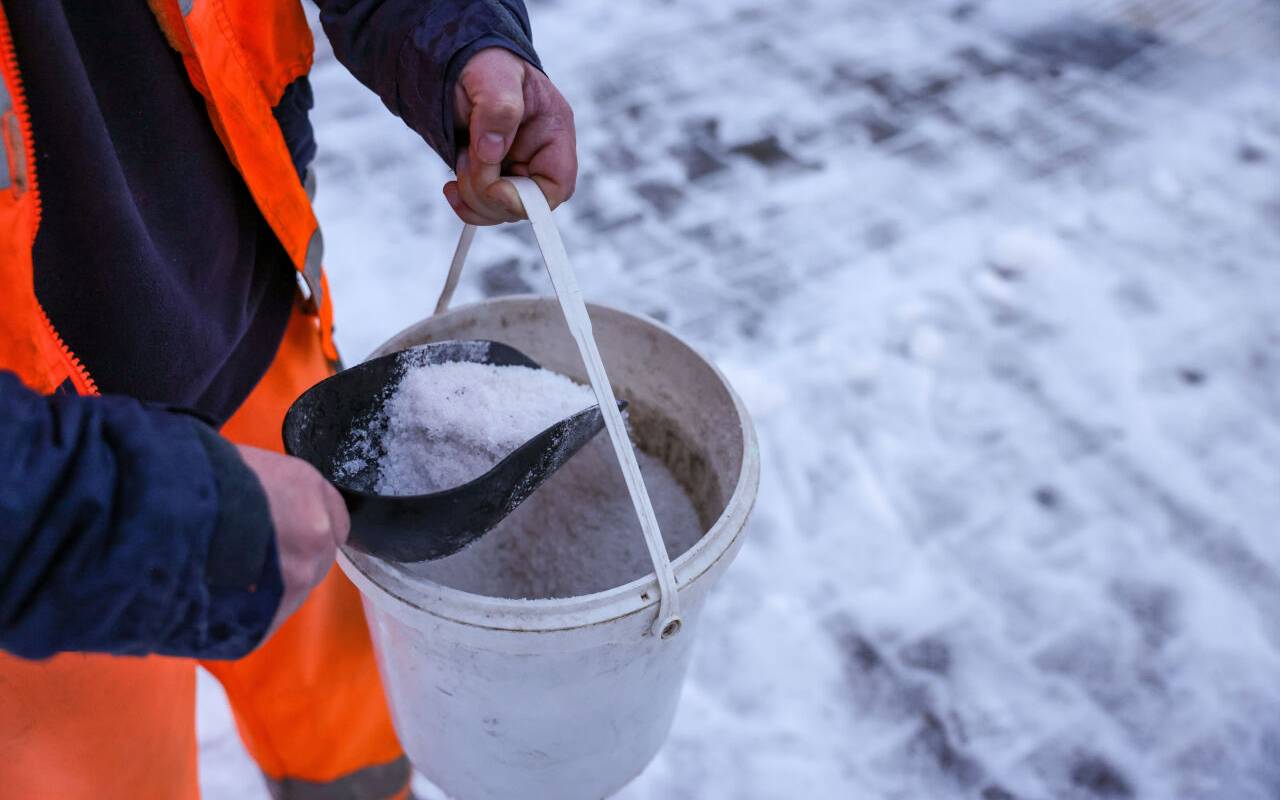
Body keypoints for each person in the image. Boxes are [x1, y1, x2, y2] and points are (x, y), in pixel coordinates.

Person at [0, 1, 577, 797]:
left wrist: (457, 35)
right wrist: (115, 515)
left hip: (259, 329)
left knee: (356, 732)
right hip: (42, 515)